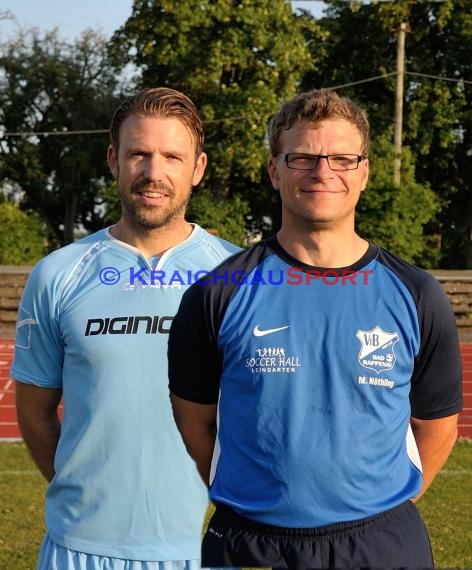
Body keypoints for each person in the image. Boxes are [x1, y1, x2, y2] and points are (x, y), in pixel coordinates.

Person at [168, 88, 463, 569]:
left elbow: (437, 426)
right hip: (251, 545)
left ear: (364, 172)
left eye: (343, 158)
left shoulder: (416, 293)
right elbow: (195, 423)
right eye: (302, 157)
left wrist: (374, 509)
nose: (323, 172)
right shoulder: (216, 292)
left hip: (381, 544)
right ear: (274, 170)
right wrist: (261, 501)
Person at [12, 87, 240, 570]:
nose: (154, 173)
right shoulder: (59, 273)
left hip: (202, 550)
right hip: (78, 552)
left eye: (172, 156)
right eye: (139, 153)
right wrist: (86, 501)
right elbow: (34, 415)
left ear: (198, 168)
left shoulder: (238, 274)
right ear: (114, 160)